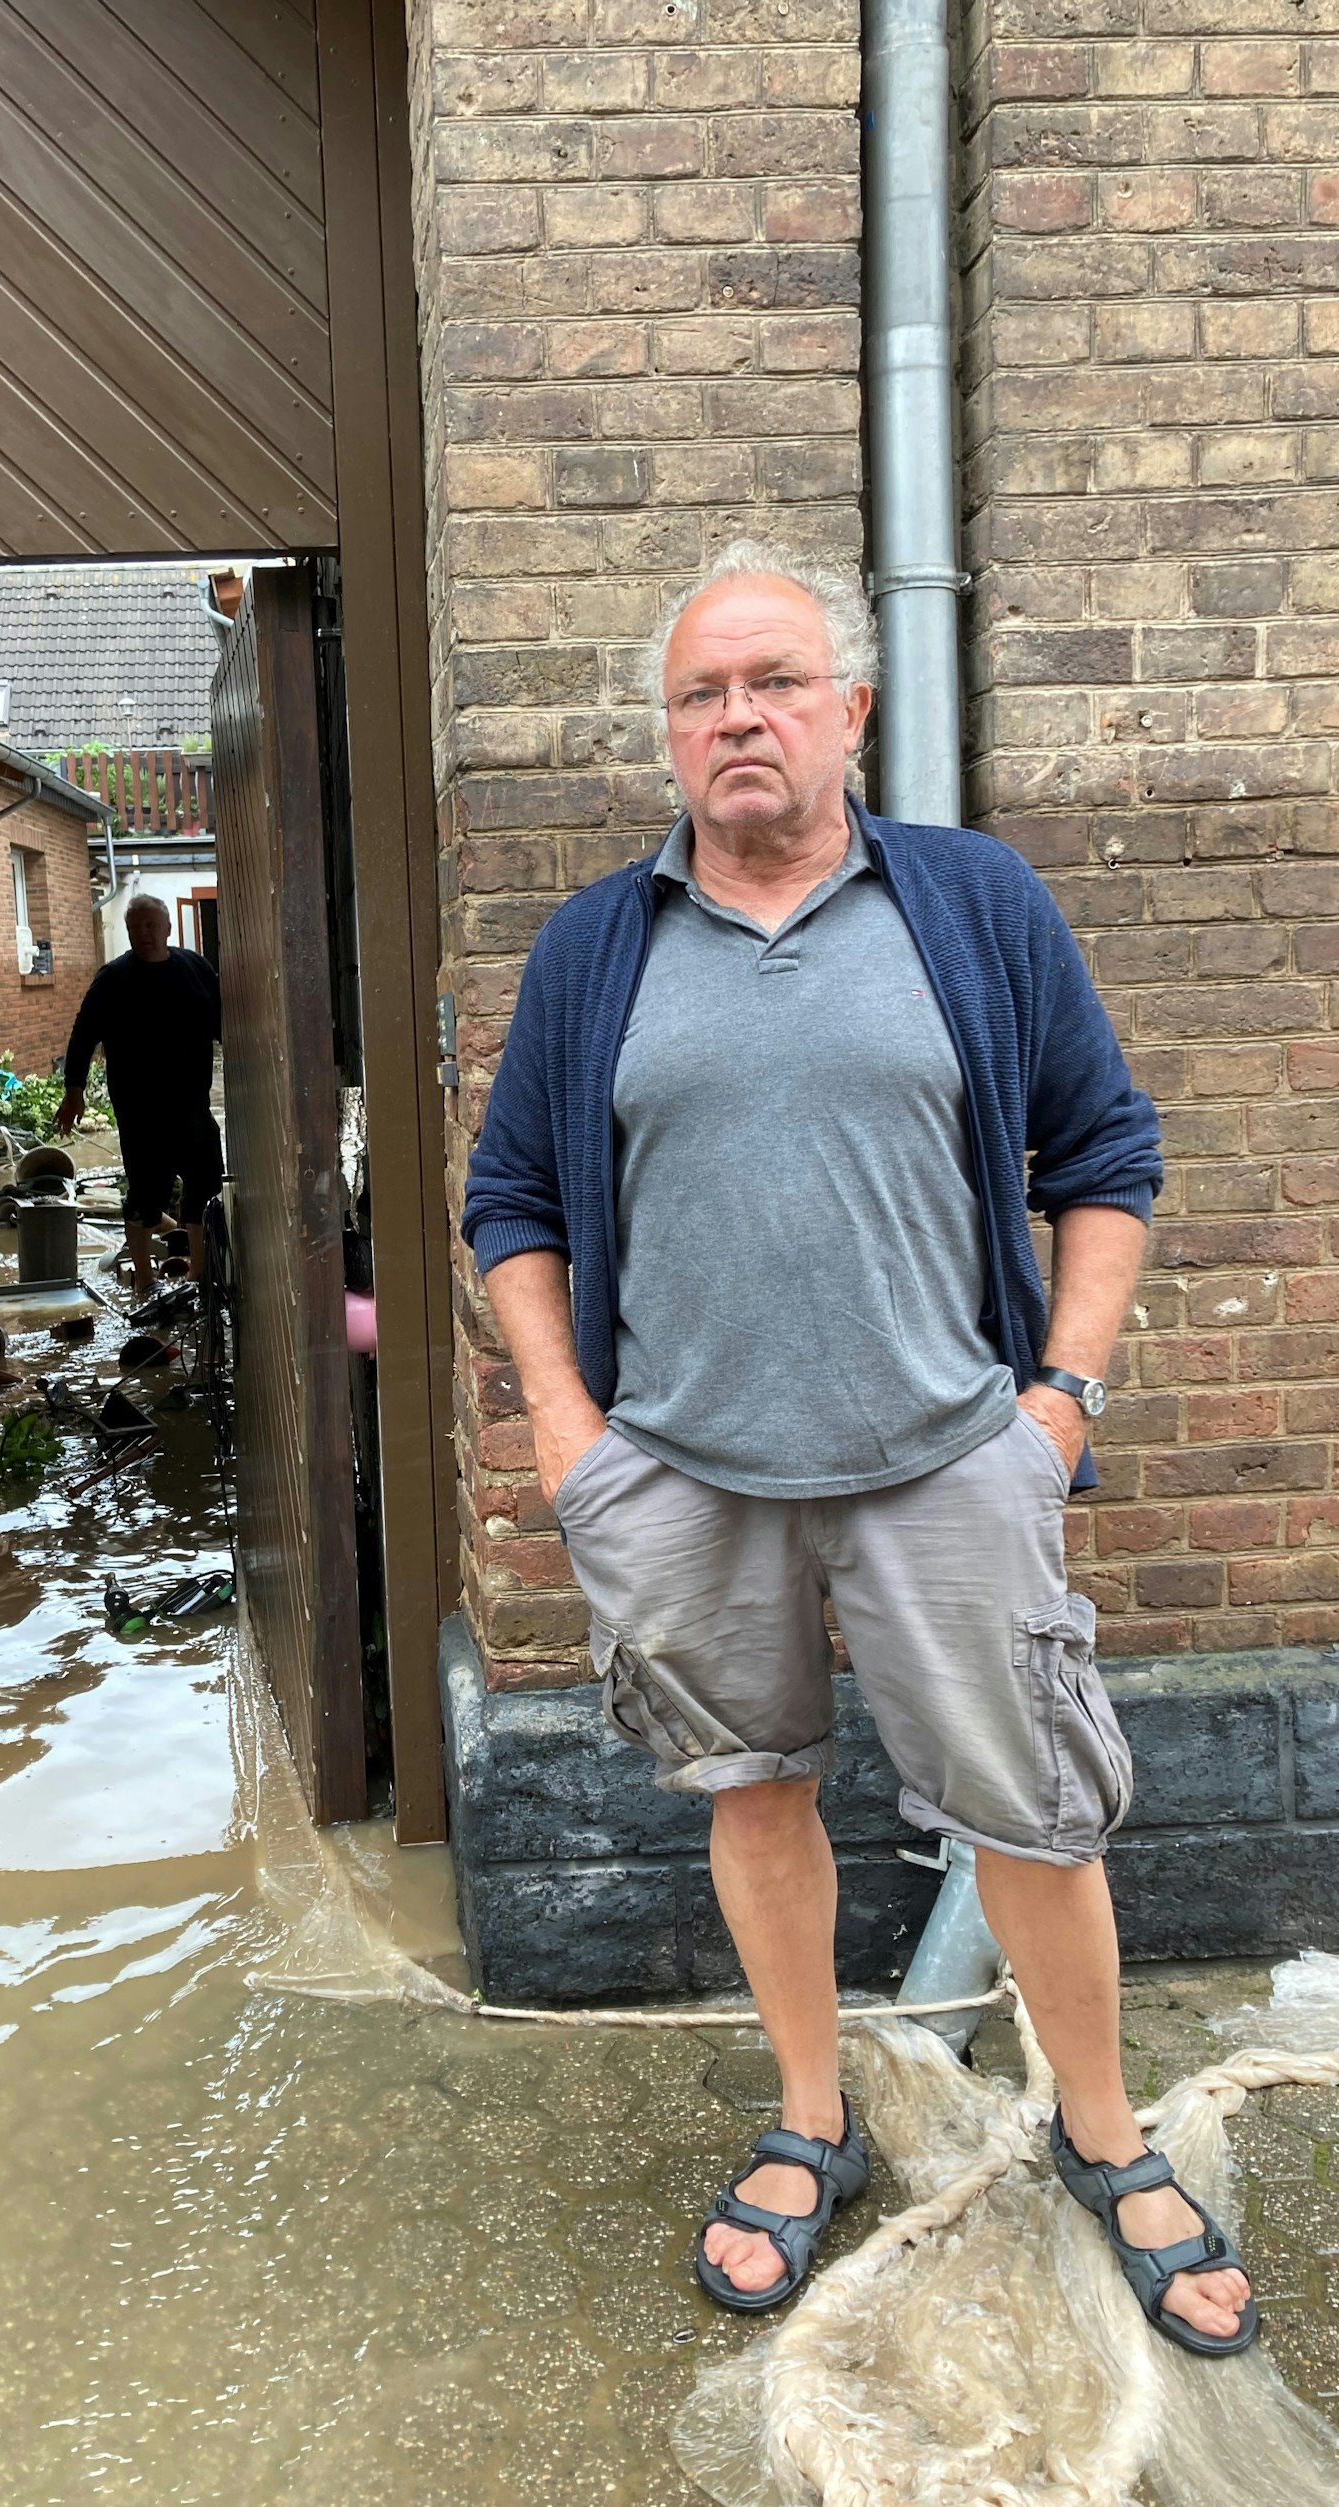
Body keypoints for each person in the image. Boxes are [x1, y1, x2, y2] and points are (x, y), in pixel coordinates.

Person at [462, 539, 1257, 2357]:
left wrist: (1058, 1402)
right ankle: (813, 2114)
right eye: (701, 694)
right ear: (669, 735)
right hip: (686, 1469)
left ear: (852, 710)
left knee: (1036, 1814)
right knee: (756, 1794)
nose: (738, 718)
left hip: (946, 1458)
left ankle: (1104, 2129)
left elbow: (1108, 1156)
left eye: (774, 682)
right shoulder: (601, 945)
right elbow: (511, 1199)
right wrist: (573, 1432)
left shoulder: (970, 904)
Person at [56, 893, 222, 1293]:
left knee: (204, 1183)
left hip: (192, 1102)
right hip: (140, 1109)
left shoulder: (195, 968)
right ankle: (145, 1279)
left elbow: (224, 1019)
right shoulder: (113, 979)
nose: (143, 934)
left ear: (167, 927)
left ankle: (200, 1275)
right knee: (147, 1192)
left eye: (151, 925)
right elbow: (82, 1036)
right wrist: (73, 1091)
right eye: (135, 927)